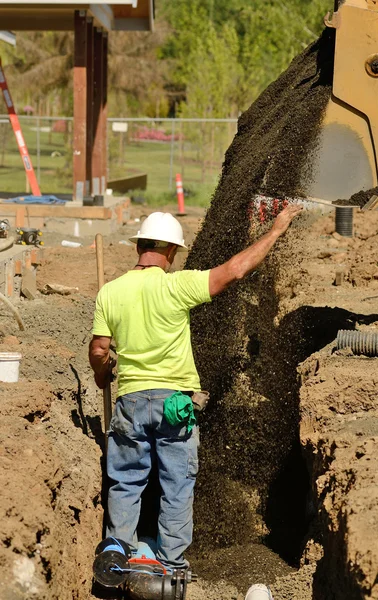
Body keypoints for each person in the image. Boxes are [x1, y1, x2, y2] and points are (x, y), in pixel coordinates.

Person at [89, 205, 302, 570]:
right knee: (176, 487)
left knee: (124, 482)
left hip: (131, 401)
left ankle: (116, 554)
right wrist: (276, 231)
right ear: (171, 251)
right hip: (174, 403)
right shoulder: (178, 285)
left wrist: (100, 374)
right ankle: (170, 565)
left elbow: (99, 349)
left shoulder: (111, 292)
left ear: (139, 244)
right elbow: (235, 270)